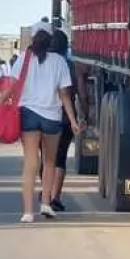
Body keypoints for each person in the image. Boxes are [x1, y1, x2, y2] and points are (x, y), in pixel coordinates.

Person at [0, 20, 81, 223]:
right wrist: (72, 120)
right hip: (52, 118)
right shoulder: (59, 62)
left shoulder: (24, 59)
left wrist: (0, 103)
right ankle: (45, 203)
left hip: (28, 116)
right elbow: (64, 95)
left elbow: (13, 87)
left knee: (30, 163)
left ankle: (27, 212)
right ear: (51, 40)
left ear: (33, 39)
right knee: (49, 162)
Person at [40, 28, 84, 212]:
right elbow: (78, 92)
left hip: (43, 115)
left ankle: (45, 193)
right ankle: (55, 197)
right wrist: (82, 117)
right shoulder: (70, 65)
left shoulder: (40, 63)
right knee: (60, 158)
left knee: (46, 158)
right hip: (65, 117)